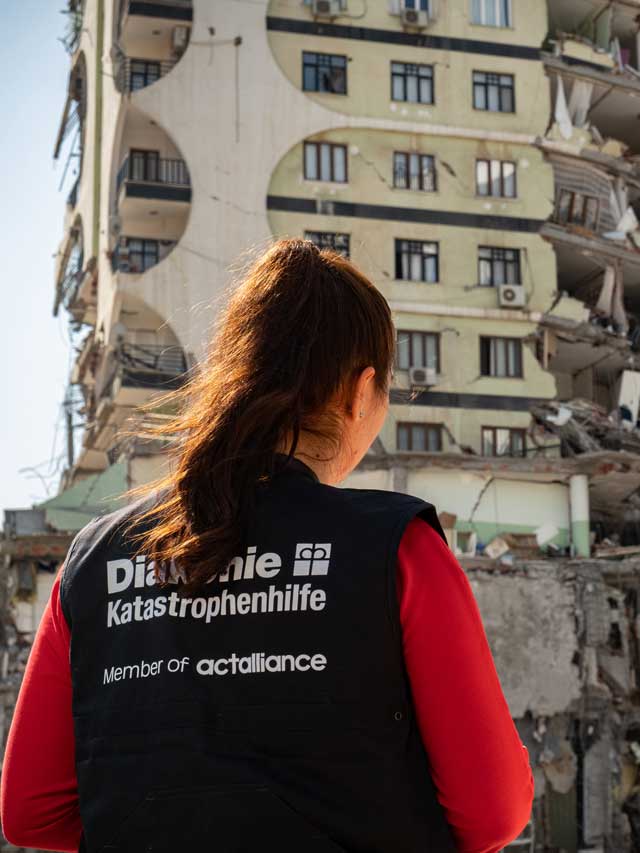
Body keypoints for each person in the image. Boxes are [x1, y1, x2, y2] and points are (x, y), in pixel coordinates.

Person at [0, 239, 533, 852]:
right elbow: (493, 813)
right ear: (361, 393)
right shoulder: (398, 549)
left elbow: (30, 813)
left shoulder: (93, 562)